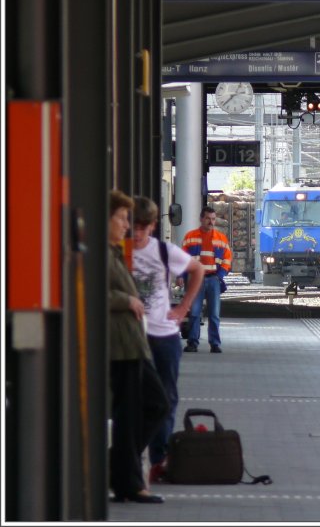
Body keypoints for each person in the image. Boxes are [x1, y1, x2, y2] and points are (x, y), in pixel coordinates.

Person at [131, 196, 204, 483]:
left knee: (167, 398)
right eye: (132, 227)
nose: (137, 233)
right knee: (137, 399)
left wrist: (184, 306)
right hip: (134, 336)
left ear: (150, 226)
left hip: (165, 336)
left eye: (142, 227)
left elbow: (197, 269)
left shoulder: (162, 251)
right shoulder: (119, 252)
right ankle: (134, 455)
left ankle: (159, 459)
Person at [107, 189, 169, 504]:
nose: (125, 225)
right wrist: (126, 299)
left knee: (155, 405)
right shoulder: (102, 255)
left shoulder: (115, 252)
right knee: (134, 413)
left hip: (133, 345)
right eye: (120, 218)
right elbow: (90, 292)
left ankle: (119, 467)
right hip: (120, 347)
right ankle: (127, 481)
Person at [178, 206, 232, 354]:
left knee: (214, 314)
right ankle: (193, 343)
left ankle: (214, 344)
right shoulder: (190, 236)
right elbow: (183, 258)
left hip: (213, 278)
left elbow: (227, 258)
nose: (211, 222)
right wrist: (182, 276)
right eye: (208, 218)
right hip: (196, 279)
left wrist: (220, 275)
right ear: (201, 219)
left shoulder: (221, 238)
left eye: (213, 219)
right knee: (195, 312)